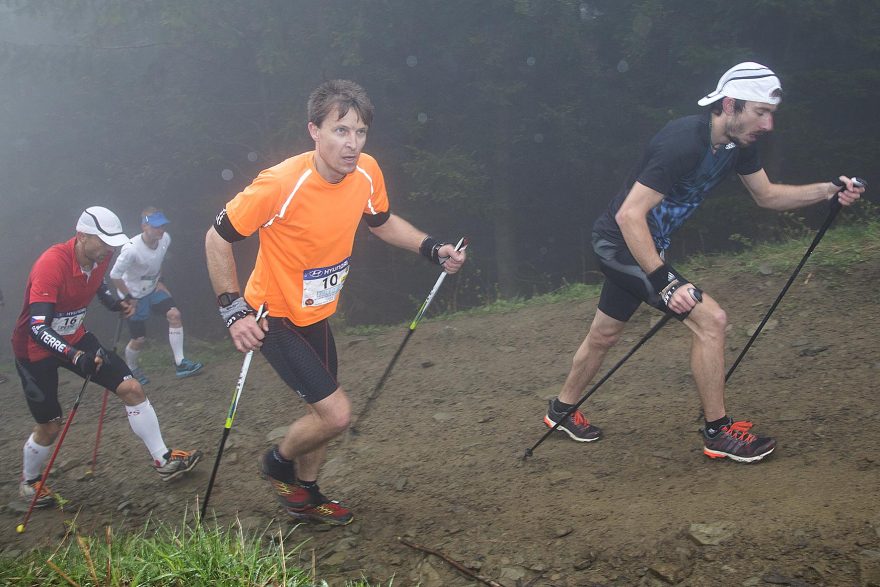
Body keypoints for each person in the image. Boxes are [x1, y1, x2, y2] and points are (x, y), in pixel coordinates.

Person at [544, 62, 865, 463]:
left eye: (771, 114)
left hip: (647, 247)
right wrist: (665, 281)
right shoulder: (681, 142)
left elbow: (766, 196)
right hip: (619, 244)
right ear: (729, 105)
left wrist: (828, 191)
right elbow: (630, 215)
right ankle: (718, 433)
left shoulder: (739, 146)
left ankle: (560, 411)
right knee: (710, 320)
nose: (767, 125)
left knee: (604, 334)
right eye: (760, 113)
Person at [205, 79, 466, 525]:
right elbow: (216, 237)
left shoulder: (366, 172)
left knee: (322, 414)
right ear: (314, 130)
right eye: (340, 130)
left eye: (360, 132)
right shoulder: (280, 183)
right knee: (336, 414)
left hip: (317, 314)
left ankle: (306, 494)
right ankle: (277, 463)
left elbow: (380, 223)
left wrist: (430, 247)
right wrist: (234, 309)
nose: (352, 144)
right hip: (272, 316)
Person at [12, 206, 202, 508]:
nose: (110, 248)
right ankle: (30, 482)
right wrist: (75, 357)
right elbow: (37, 327)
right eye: (103, 241)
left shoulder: (102, 255)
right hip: (34, 349)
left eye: (113, 241)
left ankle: (163, 459)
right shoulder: (52, 264)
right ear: (82, 236)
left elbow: (99, 284)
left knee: (132, 388)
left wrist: (115, 303)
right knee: (50, 424)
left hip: (75, 337)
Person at [109, 207, 203, 385]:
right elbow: (115, 275)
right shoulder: (130, 250)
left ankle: (180, 363)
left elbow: (158, 261)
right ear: (144, 226)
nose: (161, 230)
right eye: (156, 226)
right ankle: (132, 369)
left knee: (174, 315)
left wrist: (161, 280)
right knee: (138, 339)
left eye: (163, 226)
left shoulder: (165, 239)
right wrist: (128, 298)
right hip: (134, 296)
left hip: (153, 290)